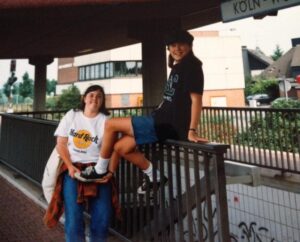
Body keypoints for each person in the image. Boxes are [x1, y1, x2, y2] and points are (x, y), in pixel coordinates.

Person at [77, 30, 208, 193]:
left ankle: (99, 170)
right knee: (121, 147)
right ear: (169, 48)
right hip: (160, 119)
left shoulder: (192, 67)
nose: (177, 48)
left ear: (190, 45)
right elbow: (171, 98)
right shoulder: (178, 67)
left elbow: (196, 100)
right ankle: (156, 177)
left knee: (110, 124)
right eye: (173, 45)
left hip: (167, 124)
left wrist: (192, 131)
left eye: (181, 44)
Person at [44, 85, 120, 242]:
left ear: (102, 102)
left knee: (102, 219)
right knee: (73, 219)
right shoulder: (72, 115)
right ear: (84, 98)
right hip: (74, 169)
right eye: (91, 95)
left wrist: (110, 173)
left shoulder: (107, 121)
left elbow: (114, 150)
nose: (95, 98)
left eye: (99, 96)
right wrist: (70, 166)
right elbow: (61, 144)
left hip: (98, 171)